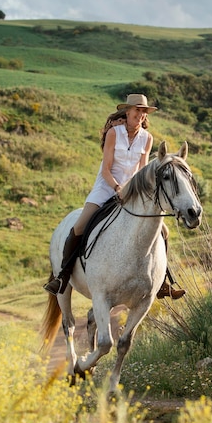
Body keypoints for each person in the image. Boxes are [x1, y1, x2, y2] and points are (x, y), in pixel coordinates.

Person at [44, 93, 185, 299]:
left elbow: (143, 169)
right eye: (137, 110)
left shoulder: (147, 139)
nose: (141, 115)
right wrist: (117, 188)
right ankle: (63, 275)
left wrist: (138, 191)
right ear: (127, 112)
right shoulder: (114, 134)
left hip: (132, 190)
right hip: (106, 187)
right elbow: (106, 169)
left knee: (163, 231)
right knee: (80, 226)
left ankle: (163, 281)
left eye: (144, 112)